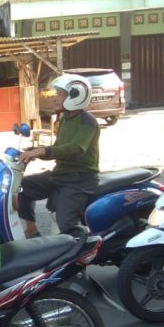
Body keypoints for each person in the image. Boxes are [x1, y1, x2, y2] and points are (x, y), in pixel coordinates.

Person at [18, 74, 100, 237]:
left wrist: (44, 151)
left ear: (76, 95)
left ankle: (77, 257)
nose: (55, 99)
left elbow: (76, 149)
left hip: (79, 180)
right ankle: (31, 229)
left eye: (60, 94)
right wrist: (33, 151)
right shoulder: (64, 119)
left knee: (66, 224)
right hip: (60, 175)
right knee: (22, 187)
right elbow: (58, 148)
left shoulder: (87, 121)